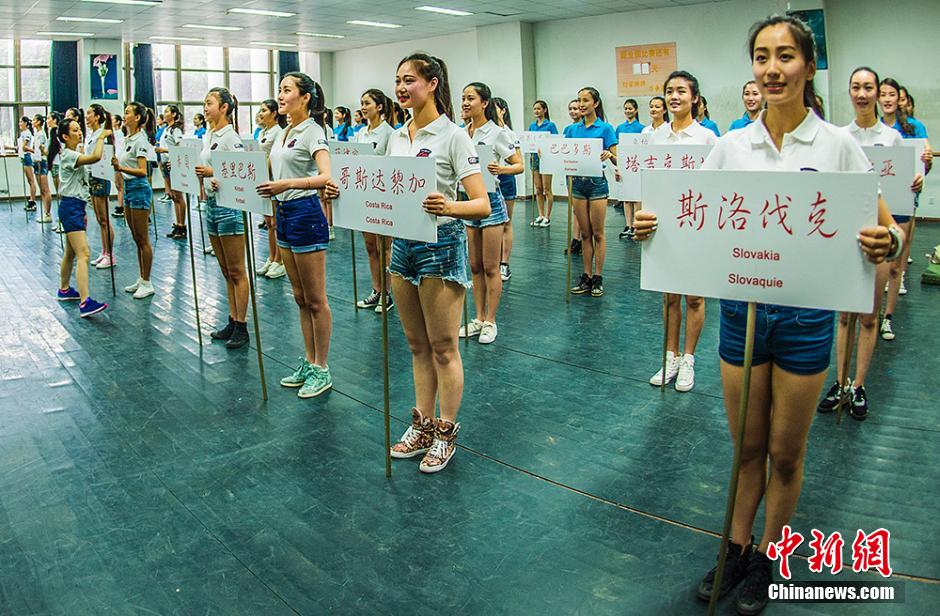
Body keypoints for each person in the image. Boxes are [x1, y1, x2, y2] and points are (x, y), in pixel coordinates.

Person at [635, 15, 904, 614]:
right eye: (761, 56)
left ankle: (770, 556)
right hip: (742, 316)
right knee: (747, 448)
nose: (772, 69)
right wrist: (655, 227)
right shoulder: (732, 146)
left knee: (785, 453)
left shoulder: (838, 145)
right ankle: (735, 548)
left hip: (806, 322)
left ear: (808, 65)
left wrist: (886, 242)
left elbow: (889, 229)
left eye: (785, 56)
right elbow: (690, 218)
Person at [385, 53, 489, 473]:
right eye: (398, 79)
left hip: (440, 244)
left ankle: (445, 432)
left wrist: (449, 206)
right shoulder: (397, 136)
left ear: (432, 84)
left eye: (409, 79)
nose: (401, 87)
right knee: (416, 345)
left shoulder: (453, 136)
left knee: (444, 347)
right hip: (402, 246)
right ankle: (422, 425)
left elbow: (481, 203)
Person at [817, 66, 920, 420]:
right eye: (856, 87)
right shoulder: (838, 138)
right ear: (849, 92)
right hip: (843, 239)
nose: (862, 94)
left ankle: (859, 385)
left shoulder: (892, 139)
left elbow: (900, 191)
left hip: (877, 238)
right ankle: (840, 381)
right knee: (843, 317)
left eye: (868, 88)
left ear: (879, 93)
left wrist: (916, 181)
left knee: (867, 317)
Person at [257, 73, 337, 397]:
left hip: (306, 212)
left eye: (287, 90)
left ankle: (322, 368)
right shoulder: (284, 131)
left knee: (316, 299)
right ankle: (309, 360)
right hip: (285, 212)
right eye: (279, 90)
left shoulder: (313, 131)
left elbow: (326, 175)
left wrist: (287, 184)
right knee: (300, 297)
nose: (280, 95)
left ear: (305, 97)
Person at [647, 70, 718, 393]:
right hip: (664, 227)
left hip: (697, 226)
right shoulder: (656, 137)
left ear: (695, 98)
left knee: (694, 297)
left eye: (681, 91)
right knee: (669, 296)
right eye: (670, 91)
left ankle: (689, 358)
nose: (674, 97)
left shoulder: (708, 139)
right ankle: (670, 356)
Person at [456, 84, 521, 345]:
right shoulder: (461, 133)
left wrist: (501, 170)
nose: (465, 102)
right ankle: (478, 318)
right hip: (468, 201)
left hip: (491, 202)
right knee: (474, 265)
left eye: (470, 98)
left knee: (491, 266)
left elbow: (518, 165)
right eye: (463, 98)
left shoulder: (497, 132)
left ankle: (491, 321)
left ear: (484, 103)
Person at [196, 87, 251, 349]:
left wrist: (212, 172)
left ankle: (242, 326)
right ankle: (232, 318)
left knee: (237, 270)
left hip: (230, 208)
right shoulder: (209, 135)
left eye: (209, 103)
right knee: (226, 270)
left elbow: (241, 172)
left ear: (224, 108)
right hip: (212, 205)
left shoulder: (231, 137)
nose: (205, 108)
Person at [878, 77, 932, 340]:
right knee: (877, 262)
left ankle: (887, 317)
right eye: (883, 94)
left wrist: (925, 165)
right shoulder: (875, 129)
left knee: (898, 256)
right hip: (877, 200)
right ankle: (872, 314)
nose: (888, 99)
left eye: (892, 94)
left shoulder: (913, 127)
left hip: (903, 197)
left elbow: (924, 163)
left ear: (899, 99)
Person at [54, 117, 110, 317]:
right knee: (84, 254)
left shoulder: (74, 153)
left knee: (71, 252)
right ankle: (85, 302)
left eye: (80, 129)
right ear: (65, 136)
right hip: (71, 206)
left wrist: (83, 209)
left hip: (75, 205)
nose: (80, 133)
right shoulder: (70, 155)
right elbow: (95, 157)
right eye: (75, 130)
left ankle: (64, 289)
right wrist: (101, 137)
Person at [566, 87, 617, 298]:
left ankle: (598, 276)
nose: (581, 104)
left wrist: (609, 155)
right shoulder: (572, 130)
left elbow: (618, 159)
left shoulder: (605, 129)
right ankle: (586, 276)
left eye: (585, 100)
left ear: (595, 103)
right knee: (585, 234)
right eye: (579, 100)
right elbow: (563, 153)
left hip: (597, 185)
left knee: (598, 233)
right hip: (578, 184)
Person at [354, 88, 397, 313]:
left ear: (379, 107)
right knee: (370, 246)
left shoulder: (390, 134)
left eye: (367, 103)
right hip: (364, 195)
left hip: (382, 196)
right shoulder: (361, 133)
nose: (363, 107)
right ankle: (376, 289)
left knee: (384, 247)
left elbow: (391, 164)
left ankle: (387, 293)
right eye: (361, 103)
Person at [112, 101, 157, 300]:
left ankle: (147, 282)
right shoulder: (127, 139)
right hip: (129, 188)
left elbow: (142, 171)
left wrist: (120, 168)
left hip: (139, 189)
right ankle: (142, 277)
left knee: (143, 238)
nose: (124, 115)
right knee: (136, 238)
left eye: (128, 112)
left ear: (137, 117)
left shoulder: (140, 140)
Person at [254, 99, 288, 280]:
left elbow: (272, 157)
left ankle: (280, 262)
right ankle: (271, 258)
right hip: (263, 179)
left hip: (273, 180)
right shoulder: (263, 132)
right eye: (260, 110)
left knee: (276, 222)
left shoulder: (279, 132)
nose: (261, 113)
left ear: (275, 113)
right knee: (268, 223)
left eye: (264, 110)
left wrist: (264, 174)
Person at [492, 96, 523, 282]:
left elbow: (518, 164)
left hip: (505, 179)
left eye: (495, 108)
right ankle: (492, 262)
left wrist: (501, 170)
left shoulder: (509, 134)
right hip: (488, 180)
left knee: (506, 223)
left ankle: (504, 263)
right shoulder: (486, 131)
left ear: (503, 111)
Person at [84, 105, 117, 270]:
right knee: (99, 218)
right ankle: (104, 252)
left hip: (101, 176)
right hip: (91, 176)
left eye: (89, 113)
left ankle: (110, 255)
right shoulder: (91, 135)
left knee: (104, 219)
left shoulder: (103, 135)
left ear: (97, 116)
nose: (86, 116)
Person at [155, 105, 187, 239]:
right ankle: (177, 224)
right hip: (165, 164)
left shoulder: (176, 130)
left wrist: (164, 151)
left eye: (167, 111)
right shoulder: (166, 129)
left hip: (173, 165)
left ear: (174, 114)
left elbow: (180, 147)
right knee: (173, 196)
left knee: (178, 196)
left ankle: (182, 226)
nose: (165, 113)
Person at [616, 98, 645, 239]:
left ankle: (635, 224)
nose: (628, 111)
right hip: (624, 165)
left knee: (637, 197)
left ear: (636, 110)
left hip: (637, 165)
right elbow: (617, 148)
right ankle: (628, 225)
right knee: (626, 197)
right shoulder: (619, 128)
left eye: (630, 108)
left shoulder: (642, 128)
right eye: (626, 109)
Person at [528, 100, 558, 228]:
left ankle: (547, 216)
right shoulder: (532, 126)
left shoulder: (550, 125)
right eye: (534, 109)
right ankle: (540, 215)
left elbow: (556, 142)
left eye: (539, 108)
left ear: (544, 110)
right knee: (538, 189)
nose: (536, 111)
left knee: (547, 189)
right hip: (534, 159)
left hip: (546, 159)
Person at [563, 98, 584, 256]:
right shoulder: (569, 129)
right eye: (571, 108)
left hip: (587, 174)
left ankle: (584, 238)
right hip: (571, 172)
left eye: (575, 108)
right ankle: (576, 238)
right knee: (575, 208)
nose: (573, 111)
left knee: (584, 210)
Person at [31, 115, 53, 223]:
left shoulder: (41, 134)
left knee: (45, 189)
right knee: (42, 190)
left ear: (39, 122)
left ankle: (48, 213)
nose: (32, 122)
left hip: (42, 162)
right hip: (36, 161)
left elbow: (43, 150)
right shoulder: (36, 134)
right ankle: (45, 212)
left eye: (34, 120)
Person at [17, 117, 38, 212]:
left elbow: (24, 147)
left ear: (26, 123)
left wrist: (35, 152)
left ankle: (32, 201)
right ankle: (31, 200)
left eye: (21, 122)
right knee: (30, 181)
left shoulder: (27, 133)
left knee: (31, 181)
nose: (19, 123)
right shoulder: (23, 133)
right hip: (24, 157)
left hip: (27, 157)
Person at [111, 114, 126, 217]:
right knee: (118, 185)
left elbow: (120, 148)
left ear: (117, 122)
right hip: (115, 161)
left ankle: (121, 207)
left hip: (118, 161)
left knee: (120, 185)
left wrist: (117, 161)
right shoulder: (113, 133)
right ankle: (120, 206)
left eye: (113, 120)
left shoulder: (120, 134)